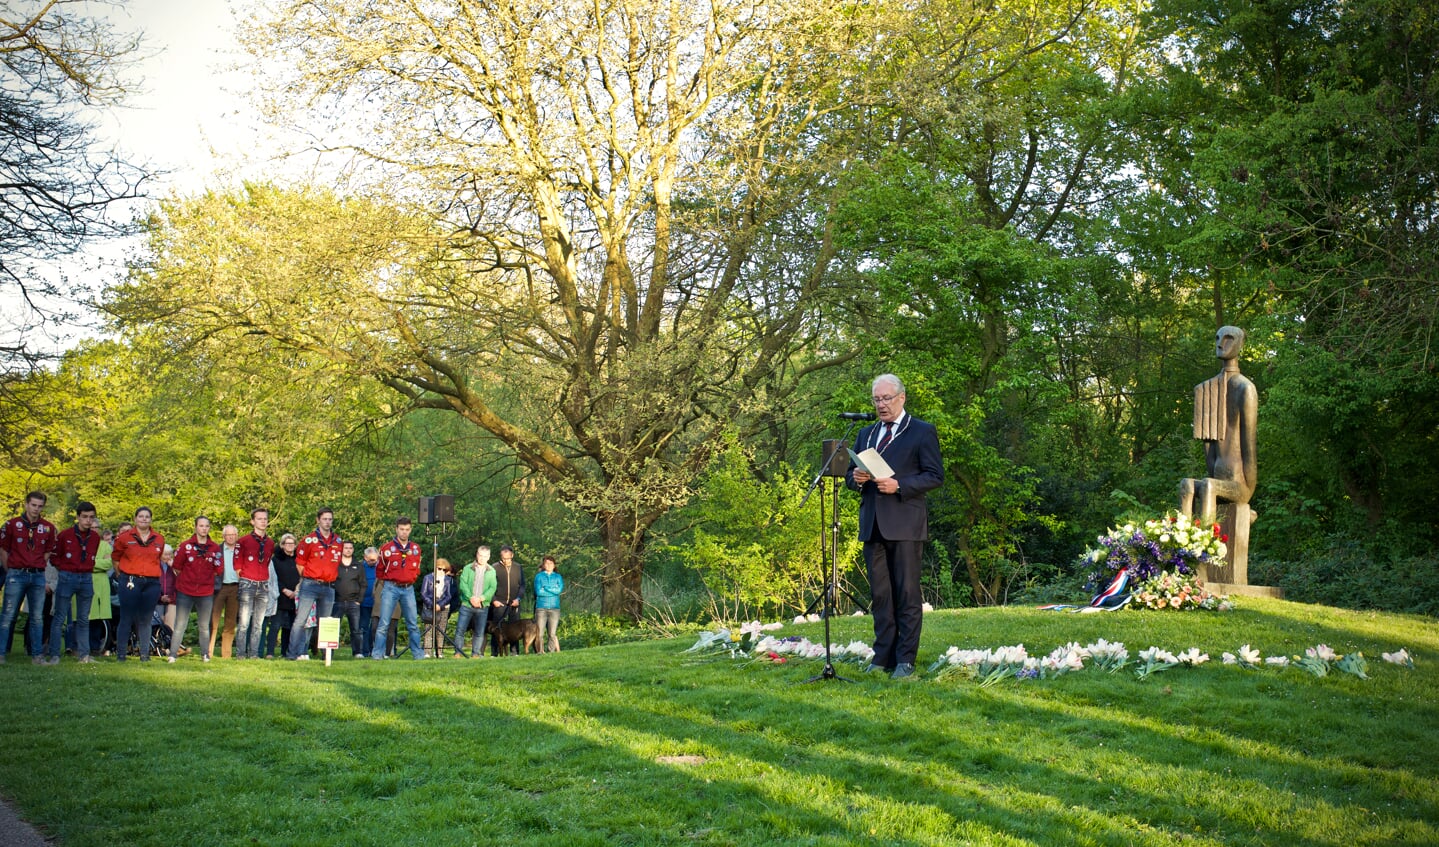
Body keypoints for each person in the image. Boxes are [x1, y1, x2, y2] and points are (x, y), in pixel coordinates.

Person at [846, 374, 944, 679]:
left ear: (901, 398)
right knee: (881, 595)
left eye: (886, 398)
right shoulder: (866, 433)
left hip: (905, 524)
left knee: (907, 593)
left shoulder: (922, 432)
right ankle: (882, 657)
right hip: (873, 524)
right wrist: (856, 479)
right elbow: (851, 474)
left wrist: (900, 485)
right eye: (876, 399)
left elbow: (934, 475)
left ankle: (905, 659)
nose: (881, 405)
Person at [1180, 325, 1258, 520]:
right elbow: (1209, 450)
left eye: (1229, 338)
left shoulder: (1245, 388)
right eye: (1217, 338)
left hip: (1239, 483)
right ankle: (1183, 546)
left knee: (1208, 485)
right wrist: (1213, 476)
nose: (1220, 344)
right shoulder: (1207, 390)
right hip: (1216, 479)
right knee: (1187, 484)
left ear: (1240, 344)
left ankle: (1207, 546)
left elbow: (1249, 447)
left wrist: (1249, 490)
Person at [0, 491, 57, 664]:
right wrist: (10, 569)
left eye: (40, 506)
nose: (36, 509)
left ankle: (37, 655)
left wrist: (39, 564)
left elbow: (48, 551)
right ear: (26, 504)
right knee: (8, 615)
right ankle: (1, 653)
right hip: (16, 573)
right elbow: (3, 549)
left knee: (37, 617)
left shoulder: (48, 527)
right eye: (33, 505)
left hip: (37, 575)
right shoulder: (11, 524)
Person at [46, 501, 100, 664]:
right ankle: (55, 654)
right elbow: (54, 557)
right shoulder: (65, 535)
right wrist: (64, 569)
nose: (88, 521)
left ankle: (84, 655)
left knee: (83, 618)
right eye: (84, 517)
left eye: (91, 517)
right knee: (59, 616)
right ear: (77, 517)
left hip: (86, 577)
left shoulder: (95, 537)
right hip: (67, 576)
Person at [111, 507, 166, 661]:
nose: (144, 519)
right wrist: (121, 574)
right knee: (126, 617)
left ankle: (144, 654)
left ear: (151, 519)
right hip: (130, 580)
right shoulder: (124, 538)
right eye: (141, 516)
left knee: (146, 618)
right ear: (135, 519)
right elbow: (115, 557)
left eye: (147, 517)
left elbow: (158, 558)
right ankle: (121, 654)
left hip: (151, 582)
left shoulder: (159, 539)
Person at [289, 507, 342, 661]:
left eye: (330, 519)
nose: (327, 522)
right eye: (324, 519)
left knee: (325, 622)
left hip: (329, 586)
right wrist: (309, 577)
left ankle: (327, 656)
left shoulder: (337, 541)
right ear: (318, 520)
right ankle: (293, 654)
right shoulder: (308, 540)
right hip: (310, 585)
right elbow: (300, 563)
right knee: (301, 620)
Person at [168, 517, 221, 663]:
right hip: (185, 590)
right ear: (196, 527)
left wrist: (204, 579)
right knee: (180, 624)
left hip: (205, 592)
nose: (204, 529)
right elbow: (177, 567)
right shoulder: (185, 546)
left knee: (204, 625)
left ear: (209, 528)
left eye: (207, 526)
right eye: (201, 526)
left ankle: (205, 654)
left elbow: (218, 569)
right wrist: (188, 579)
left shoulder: (215, 548)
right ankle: (173, 654)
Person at [371, 516, 424, 659]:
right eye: (401, 529)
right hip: (390, 587)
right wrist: (389, 583)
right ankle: (377, 654)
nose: (404, 532)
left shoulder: (415, 548)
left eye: (407, 530)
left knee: (412, 622)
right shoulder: (387, 548)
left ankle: (418, 654)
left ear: (410, 530)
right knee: (384, 622)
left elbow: (417, 569)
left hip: (408, 588)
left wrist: (410, 578)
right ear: (396, 529)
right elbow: (380, 570)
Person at [234, 509, 275, 659]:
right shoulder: (244, 541)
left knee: (258, 623)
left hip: (263, 584)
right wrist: (245, 579)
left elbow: (268, 561)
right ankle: (240, 653)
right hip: (248, 583)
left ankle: (254, 654)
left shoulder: (270, 543)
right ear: (252, 521)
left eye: (265, 519)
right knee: (244, 622)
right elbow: (237, 565)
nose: (263, 521)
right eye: (259, 519)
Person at [454, 545, 496, 658]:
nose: (482, 558)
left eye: (485, 556)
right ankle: (458, 652)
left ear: (489, 557)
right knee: (460, 629)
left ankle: (476, 653)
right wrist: (471, 598)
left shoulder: (492, 571)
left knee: (479, 631)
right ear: (477, 555)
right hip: (467, 604)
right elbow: (463, 584)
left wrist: (481, 598)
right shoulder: (468, 568)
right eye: (480, 555)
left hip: (482, 606)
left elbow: (492, 588)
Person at [208, 524, 242, 659]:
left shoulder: (241, 551)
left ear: (237, 536)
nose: (231, 537)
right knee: (213, 621)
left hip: (236, 587)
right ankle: (208, 651)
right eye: (228, 535)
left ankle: (226, 654)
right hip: (219, 587)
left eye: (233, 534)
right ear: (223, 536)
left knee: (230, 622)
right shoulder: (217, 550)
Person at [267, 534, 300, 659]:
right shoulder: (276, 560)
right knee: (275, 626)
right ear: (282, 545)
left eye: (292, 543)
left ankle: (285, 652)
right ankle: (270, 652)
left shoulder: (298, 559)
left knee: (290, 627)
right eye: (287, 543)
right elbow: (274, 577)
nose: (290, 546)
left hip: (295, 596)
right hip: (280, 597)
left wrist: (296, 589)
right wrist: (284, 590)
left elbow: (303, 574)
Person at [489, 544, 524, 657]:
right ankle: (494, 652)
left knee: (514, 628)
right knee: (497, 628)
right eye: (503, 558)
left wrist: (518, 598)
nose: (506, 560)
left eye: (508, 558)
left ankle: (515, 652)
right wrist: (494, 600)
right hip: (499, 602)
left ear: (512, 556)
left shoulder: (518, 567)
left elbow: (522, 585)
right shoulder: (494, 567)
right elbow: (489, 586)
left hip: (514, 602)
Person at [334, 541, 366, 658]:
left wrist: (359, 600)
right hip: (338, 601)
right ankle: (329, 652)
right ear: (341, 550)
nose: (348, 550)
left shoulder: (358, 566)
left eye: (350, 548)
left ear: (353, 550)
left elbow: (363, 584)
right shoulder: (335, 564)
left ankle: (357, 652)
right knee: (333, 628)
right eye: (345, 548)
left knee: (356, 629)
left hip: (354, 602)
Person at [419, 558, 455, 658]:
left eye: (444, 570)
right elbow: (423, 593)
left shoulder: (448, 580)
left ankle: (439, 652)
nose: (441, 572)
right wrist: (432, 604)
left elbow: (449, 595)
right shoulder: (428, 578)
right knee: (428, 629)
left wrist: (440, 605)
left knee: (441, 630)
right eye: (439, 569)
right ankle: (427, 652)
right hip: (429, 606)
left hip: (443, 607)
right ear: (435, 568)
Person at [533, 555, 564, 653]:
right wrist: (552, 590)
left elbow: (558, 590)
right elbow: (538, 592)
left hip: (555, 608)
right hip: (541, 608)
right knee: (540, 633)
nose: (549, 565)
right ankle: (540, 652)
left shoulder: (558, 576)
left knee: (552, 633)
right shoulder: (539, 576)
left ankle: (551, 651)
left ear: (554, 565)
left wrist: (545, 588)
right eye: (547, 563)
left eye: (551, 563)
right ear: (543, 565)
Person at [359, 546, 378, 657]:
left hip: (377, 603)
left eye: (375, 559)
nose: (373, 562)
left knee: (374, 628)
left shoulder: (380, 567)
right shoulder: (360, 567)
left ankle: (373, 649)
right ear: (365, 558)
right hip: (363, 602)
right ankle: (364, 651)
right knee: (364, 627)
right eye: (371, 560)